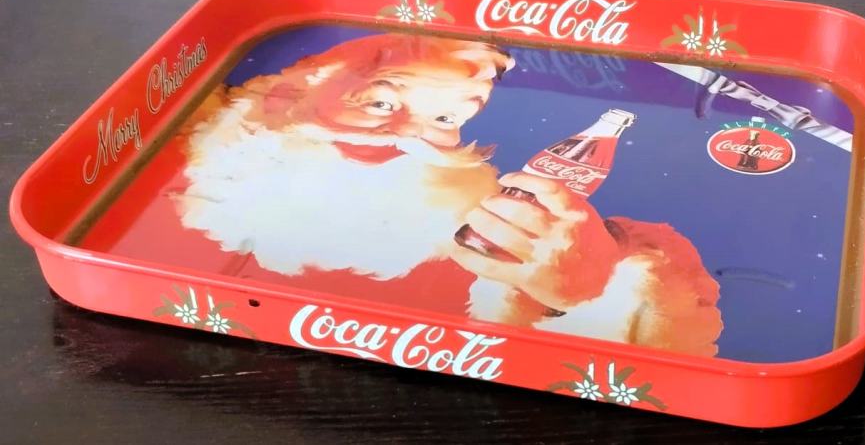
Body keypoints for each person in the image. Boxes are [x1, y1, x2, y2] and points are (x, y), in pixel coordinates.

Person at [176, 33, 722, 356]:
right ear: (295, 89)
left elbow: (665, 359)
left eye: (445, 119)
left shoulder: (478, 243)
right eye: (381, 102)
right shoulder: (181, 157)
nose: (410, 134)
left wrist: (594, 289)